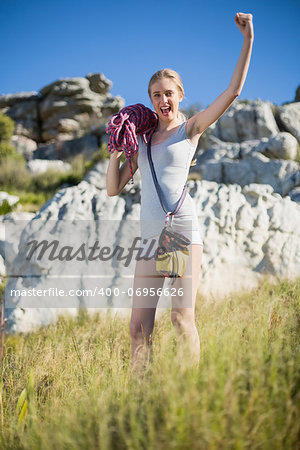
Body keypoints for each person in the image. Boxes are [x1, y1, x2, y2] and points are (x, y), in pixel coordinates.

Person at [106, 12, 254, 370]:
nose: (162, 99)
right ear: (151, 99)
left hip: (179, 235)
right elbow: (113, 189)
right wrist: (115, 148)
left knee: (180, 318)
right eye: (156, 95)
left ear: (179, 95)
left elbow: (233, 92)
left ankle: (190, 390)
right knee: (138, 328)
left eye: (168, 93)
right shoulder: (140, 143)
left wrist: (247, 39)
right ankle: (141, 399)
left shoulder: (189, 129)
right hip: (150, 239)